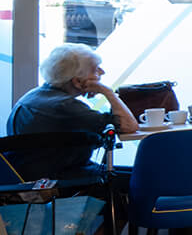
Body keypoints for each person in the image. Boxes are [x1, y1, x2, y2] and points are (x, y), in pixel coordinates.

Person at [6, 44, 139, 180]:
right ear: (77, 81)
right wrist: (108, 92)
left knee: (135, 174)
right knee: (142, 179)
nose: (102, 72)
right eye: (95, 69)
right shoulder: (64, 106)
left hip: (32, 178)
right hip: (61, 180)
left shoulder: (33, 96)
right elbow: (128, 126)